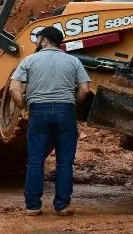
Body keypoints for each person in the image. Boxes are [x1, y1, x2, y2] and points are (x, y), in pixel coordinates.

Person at [9, 25, 92, 215]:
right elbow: (85, 89)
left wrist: (23, 106)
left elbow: (14, 89)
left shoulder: (29, 60)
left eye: (38, 39)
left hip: (38, 111)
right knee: (64, 162)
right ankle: (62, 206)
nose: (37, 42)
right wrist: (73, 104)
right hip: (66, 111)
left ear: (45, 41)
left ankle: (33, 206)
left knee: (35, 161)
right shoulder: (74, 61)